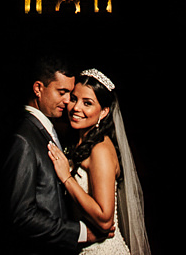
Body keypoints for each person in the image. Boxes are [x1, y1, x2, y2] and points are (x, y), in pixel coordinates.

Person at [2, 56, 114, 254]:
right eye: (65, 94)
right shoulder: (24, 138)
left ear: (104, 111)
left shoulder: (96, 146)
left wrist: (67, 177)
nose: (70, 104)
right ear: (38, 89)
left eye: (70, 94)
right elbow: (22, 215)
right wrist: (80, 233)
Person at [47, 69, 151, 255]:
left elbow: (105, 219)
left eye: (87, 103)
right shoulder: (78, 140)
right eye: (73, 99)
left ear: (103, 112)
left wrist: (67, 178)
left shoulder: (100, 149)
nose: (76, 108)